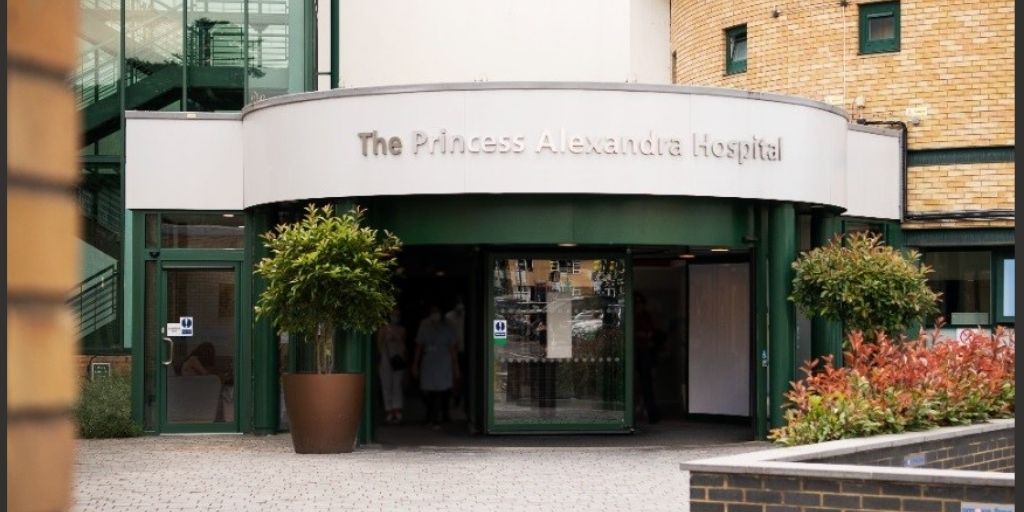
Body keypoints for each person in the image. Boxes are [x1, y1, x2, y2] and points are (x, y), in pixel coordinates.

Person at [412, 305, 460, 430]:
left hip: (444, 360)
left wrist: (455, 366)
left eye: (437, 312)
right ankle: (430, 416)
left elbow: (453, 347)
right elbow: (419, 345)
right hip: (429, 360)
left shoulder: (449, 325)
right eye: (433, 312)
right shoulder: (424, 324)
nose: (435, 314)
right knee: (427, 390)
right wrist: (415, 364)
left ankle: (437, 417)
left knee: (441, 390)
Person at [633, 293, 661, 423]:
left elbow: (650, 333)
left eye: (640, 303)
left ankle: (651, 414)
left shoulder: (646, 316)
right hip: (635, 352)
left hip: (644, 352)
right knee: (635, 384)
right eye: (637, 303)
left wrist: (641, 335)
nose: (639, 306)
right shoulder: (632, 316)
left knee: (646, 383)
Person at [377, 309, 407, 424]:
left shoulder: (402, 330)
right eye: (393, 314)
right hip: (386, 359)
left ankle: (397, 409)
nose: (395, 317)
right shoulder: (383, 329)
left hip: (398, 359)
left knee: (397, 385)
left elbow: (404, 344)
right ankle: (389, 410)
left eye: (397, 314)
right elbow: (379, 345)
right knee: (386, 385)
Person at [444, 300, 466, 408]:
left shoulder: (466, 315)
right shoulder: (448, 317)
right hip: (452, 350)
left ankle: (461, 396)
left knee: (462, 374)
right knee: (455, 375)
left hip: (464, 349)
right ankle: (455, 396)